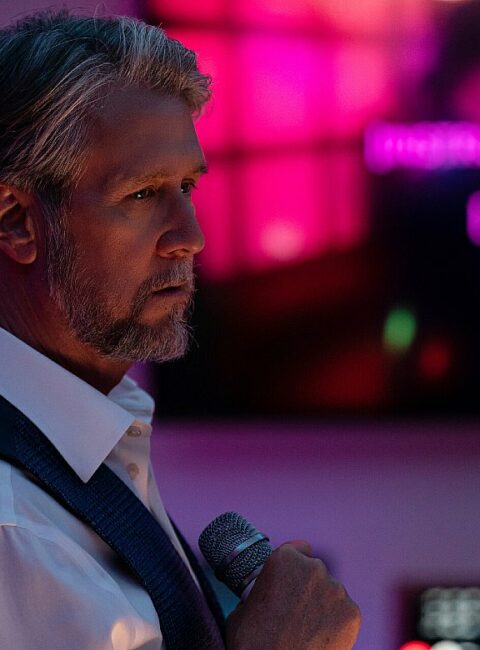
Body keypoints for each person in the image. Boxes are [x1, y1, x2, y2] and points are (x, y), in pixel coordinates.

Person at [0, 9, 361, 649]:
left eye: (187, 187)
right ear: (16, 222)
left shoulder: (89, 440)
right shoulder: (14, 527)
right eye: (142, 194)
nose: (190, 237)